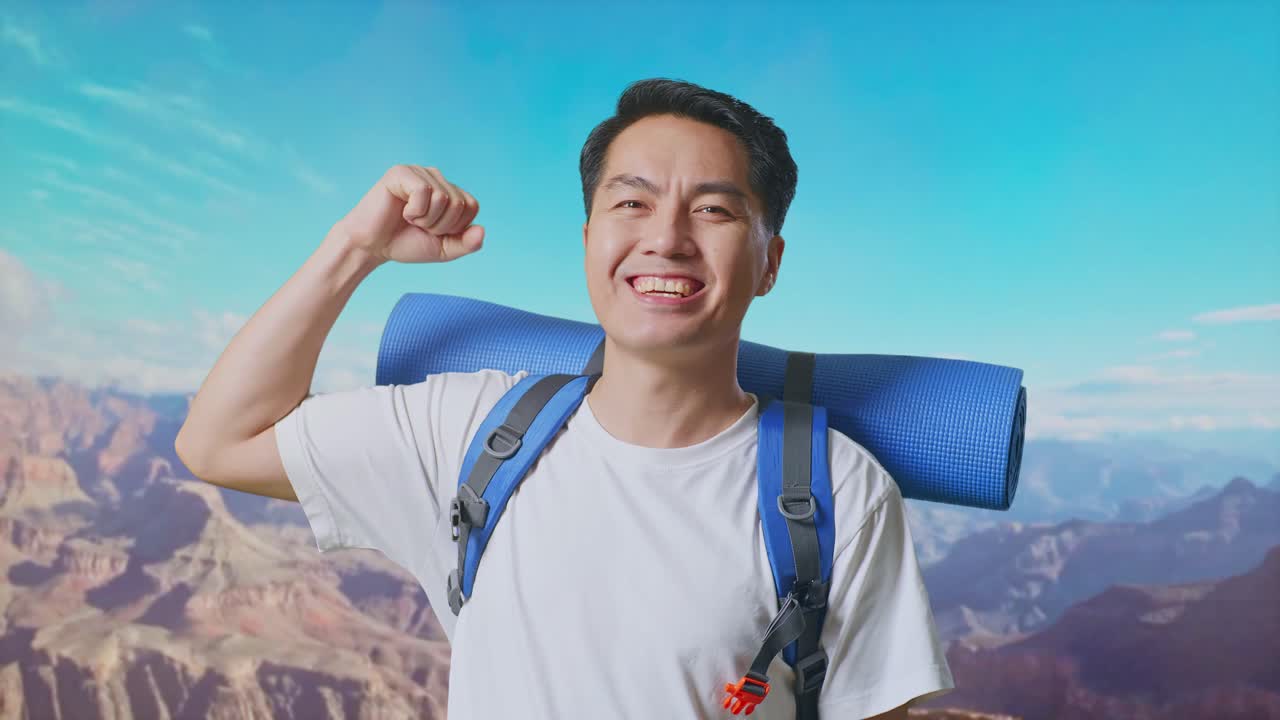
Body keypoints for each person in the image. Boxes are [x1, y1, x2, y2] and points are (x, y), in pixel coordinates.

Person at [175, 77, 954, 719]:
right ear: (588, 239)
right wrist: (354, 249)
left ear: (769, 261)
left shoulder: (840, 495)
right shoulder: (470, 431)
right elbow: (218, 443)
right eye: (632, 202)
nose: (668, 238)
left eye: (714, 209)